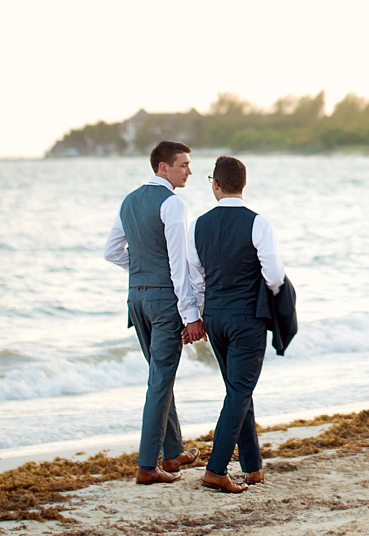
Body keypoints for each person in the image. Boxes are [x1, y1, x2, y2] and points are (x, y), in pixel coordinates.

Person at [104, 141, 204, 485]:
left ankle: (173, 453)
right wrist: (191, 314)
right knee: (160, 380)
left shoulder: (129, 200)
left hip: (136, 299)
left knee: (161, 375)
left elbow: (112, 252)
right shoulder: (173, 204)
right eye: (183, 165)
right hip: (163, 302)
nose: (189, 171)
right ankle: (147, 466)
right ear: (163, 167)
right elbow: (180, 264)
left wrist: (143, 269)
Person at [187, 156, 286, 494]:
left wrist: (197, 313)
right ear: (244, 184)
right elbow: (274, 275)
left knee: (238, 389)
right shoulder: (258, 223)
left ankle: (253, 466)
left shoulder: (198, 224)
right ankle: (215, 470)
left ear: (215, 183)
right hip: (247, 318)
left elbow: (194, 277)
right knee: (241, 390)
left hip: (215, 317)